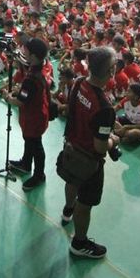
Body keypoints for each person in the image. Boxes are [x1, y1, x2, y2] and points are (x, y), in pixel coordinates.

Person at [59, 47, 118, 259]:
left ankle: (67, 211)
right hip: (89, 162)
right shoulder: (105, 107)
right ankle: (79, 242)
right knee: (84, 204)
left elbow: (70, 111)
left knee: (71, 182)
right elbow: (100, 147)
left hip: (70, 149)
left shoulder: (78, 83)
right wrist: (112, 139)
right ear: (111, 71)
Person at [2, 38, 51, 191]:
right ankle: (25, 163)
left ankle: (39, 175)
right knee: (28, 141)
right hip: (34, 115)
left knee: (36, 145)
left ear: (34, 55)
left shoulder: (31, 78)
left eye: (27, 51)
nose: (24, 52)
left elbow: (21, 102)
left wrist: (8, 98)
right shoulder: (38, 69)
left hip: (34, 118)